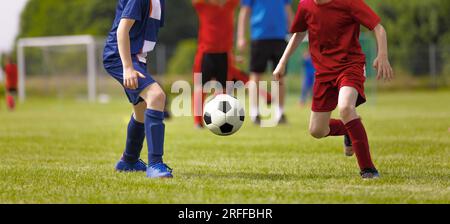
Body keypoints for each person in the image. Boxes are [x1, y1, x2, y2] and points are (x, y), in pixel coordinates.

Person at [273, 0, 394, 179]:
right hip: (323, 73)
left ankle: (368, 169)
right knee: (317, 130)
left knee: (345, 107)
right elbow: (299, 33)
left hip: (349, 65)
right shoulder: (305, 5)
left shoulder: (348, 2)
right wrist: (282, 62)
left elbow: (378, 28)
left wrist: (382, 54)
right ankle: (348, 128)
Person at [103, 0, 173, 178]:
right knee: (156, 97)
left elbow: (144, 33)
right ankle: (155, 164)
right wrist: (128, 67)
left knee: (141, 111)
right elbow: (122, 30)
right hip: (121, 57)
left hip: (136, 58)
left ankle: (129, 160)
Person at [237, 0, 294, 125]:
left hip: (280, 37)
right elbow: (244, 12)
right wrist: (241, 36)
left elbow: (288, 10)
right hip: (259, 37)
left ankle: (279, 113)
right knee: (255, 76)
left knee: (280, 76)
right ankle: (255, 113)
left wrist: (294, 30)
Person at [192, 0, 240, 128]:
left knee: (224, 89)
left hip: (224, 54)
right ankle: (197, 121)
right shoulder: (202, 6)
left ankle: (223, 119)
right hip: (206, 53)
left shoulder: (230, 5)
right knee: (200, 87)